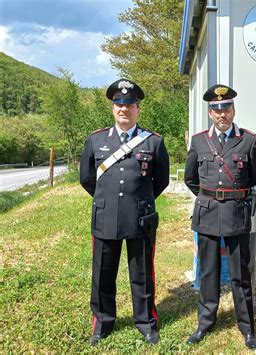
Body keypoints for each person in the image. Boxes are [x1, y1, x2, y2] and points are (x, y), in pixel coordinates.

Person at [80, 78, 170, 346]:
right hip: (105, 216)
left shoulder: (153, 142)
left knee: (141, 274)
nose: (124, 109)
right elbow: (87, 179)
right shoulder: (96, 140)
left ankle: (145, 323)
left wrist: (139, 200)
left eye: (129, 104)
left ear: (137, 109)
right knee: (102, 274)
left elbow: (161, 180)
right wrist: (107, 200)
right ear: (113, 109)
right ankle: (103, 323)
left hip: (140, 218)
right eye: (119, 104)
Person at [184, 84, 256, 350]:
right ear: (210, 112)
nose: (222, 114)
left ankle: (247, 327)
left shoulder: (248, 140)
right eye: (217, 109)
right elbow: (191, 179)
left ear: (233, 109)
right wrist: (209, 197)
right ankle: (205, 323)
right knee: (208, 272)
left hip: (236, 214)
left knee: (241, 274)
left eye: (226, 108)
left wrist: (231, 198)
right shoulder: (198, 141)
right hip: (207, 214)